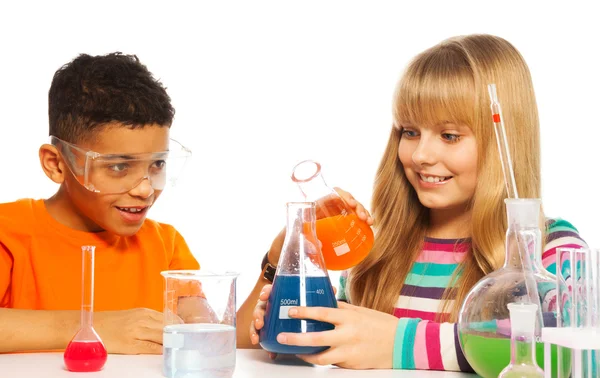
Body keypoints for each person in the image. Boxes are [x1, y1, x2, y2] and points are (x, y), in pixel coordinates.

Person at [246, 34, 588, 371]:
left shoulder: (551, 251)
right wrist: (284, 270)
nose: (421, 154)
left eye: (449, 135)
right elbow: (241, 347)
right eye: (410, 132)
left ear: (504, 142)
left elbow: (564, 352)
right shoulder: (374, 251)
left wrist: (396, 344)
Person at [0, 52, 201, 354]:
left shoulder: (166, 245)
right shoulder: (9, 231)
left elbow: (210, 335)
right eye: (119, 167)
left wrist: (273, 265)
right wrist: (91, 327)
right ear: (56, 164)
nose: (145, 189)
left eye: (157, 164)